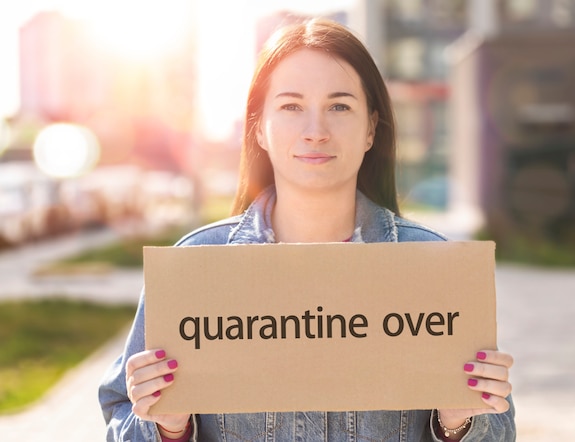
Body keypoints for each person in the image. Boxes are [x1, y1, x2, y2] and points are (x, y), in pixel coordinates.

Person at [99, 18, 515, 442]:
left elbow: (499, 429)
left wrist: (458, 423)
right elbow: (121, 418)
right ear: (259, 127)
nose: (315, 132)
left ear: (371, 128)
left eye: (339, 106)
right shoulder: (194, 268)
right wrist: (168, 427)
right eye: (291, 106)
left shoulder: (434, 268)